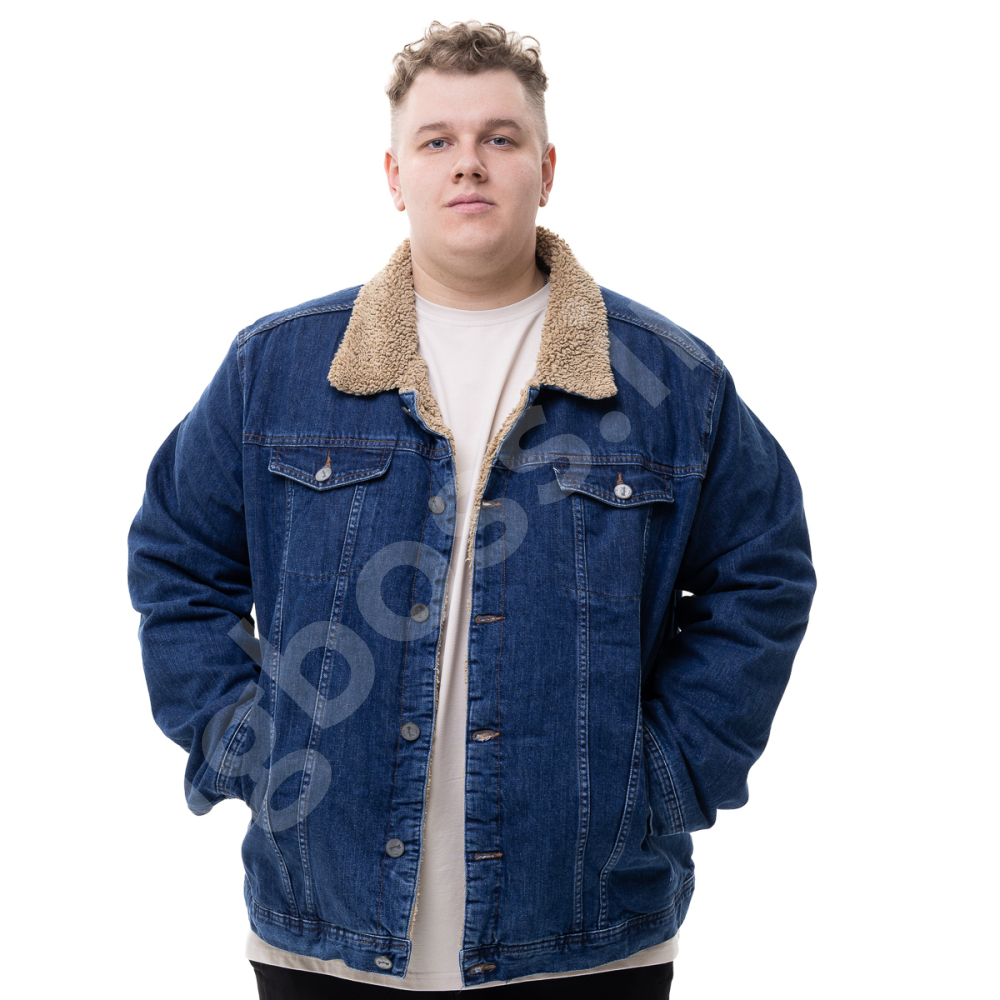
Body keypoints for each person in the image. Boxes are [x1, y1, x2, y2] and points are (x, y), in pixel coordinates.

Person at [127, 19, 817, 999]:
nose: (469, 163)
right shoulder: (275, 369)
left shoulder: (668, 379)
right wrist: (248, 742)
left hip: (587, 929)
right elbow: (176, 562)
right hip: (324, 925)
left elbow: (763, 575)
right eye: (437, 140)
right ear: (393, 174)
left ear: (546, 167)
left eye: (499, 137)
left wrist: (663, 776)